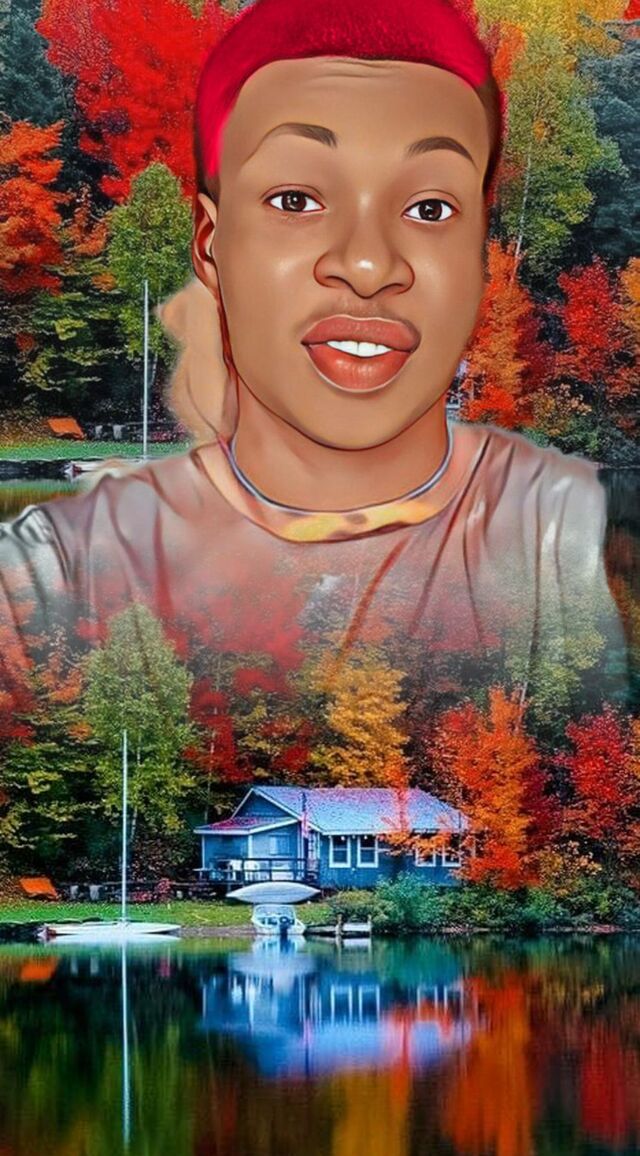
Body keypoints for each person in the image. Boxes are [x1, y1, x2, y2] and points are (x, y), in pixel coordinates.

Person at [0, 0, 631, 750]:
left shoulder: (567, 540)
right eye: (296, 200)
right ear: (210, 245)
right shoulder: (51, 574)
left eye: (431, 207)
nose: (366, 265)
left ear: (478, 256)